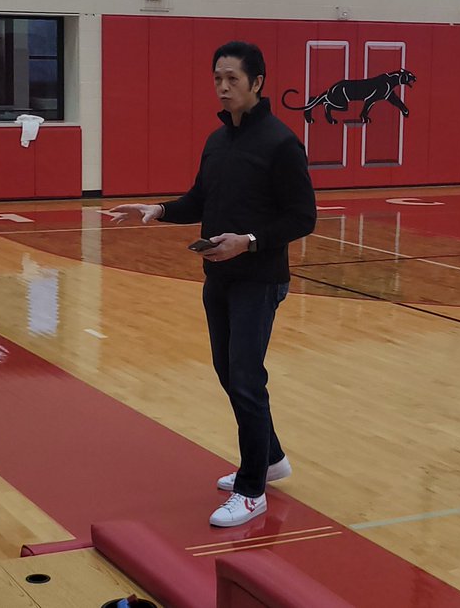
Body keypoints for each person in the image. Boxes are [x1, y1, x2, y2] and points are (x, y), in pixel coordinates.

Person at [110, 41, 317, 527]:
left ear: (257, 83)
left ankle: (252, 490)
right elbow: (202, 200)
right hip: (217, 276)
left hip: (259, 280)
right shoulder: (217, 141)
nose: (223, 88)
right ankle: (270, 459)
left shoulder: (281, 144)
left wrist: (248, 241)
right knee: (229, 374)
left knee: (246, 379)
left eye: (233, 80)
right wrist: (159, 210)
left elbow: (302, 217)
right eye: (217, 79)